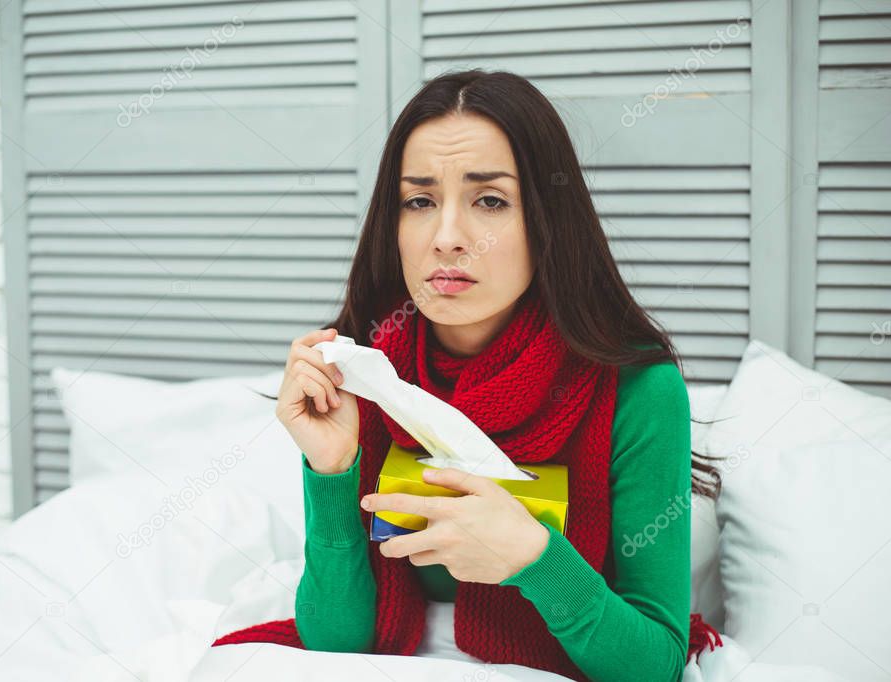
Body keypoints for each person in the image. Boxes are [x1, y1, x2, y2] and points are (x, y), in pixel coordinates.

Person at [210, 69, 723, 681]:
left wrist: (536, 559)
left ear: (546, 220)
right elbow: (334, 640)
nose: (449, 238)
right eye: (420, 201)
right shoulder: (365, 371)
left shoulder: (638, 389)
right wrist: (331, 468)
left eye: (490, 201)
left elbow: (653, 666)